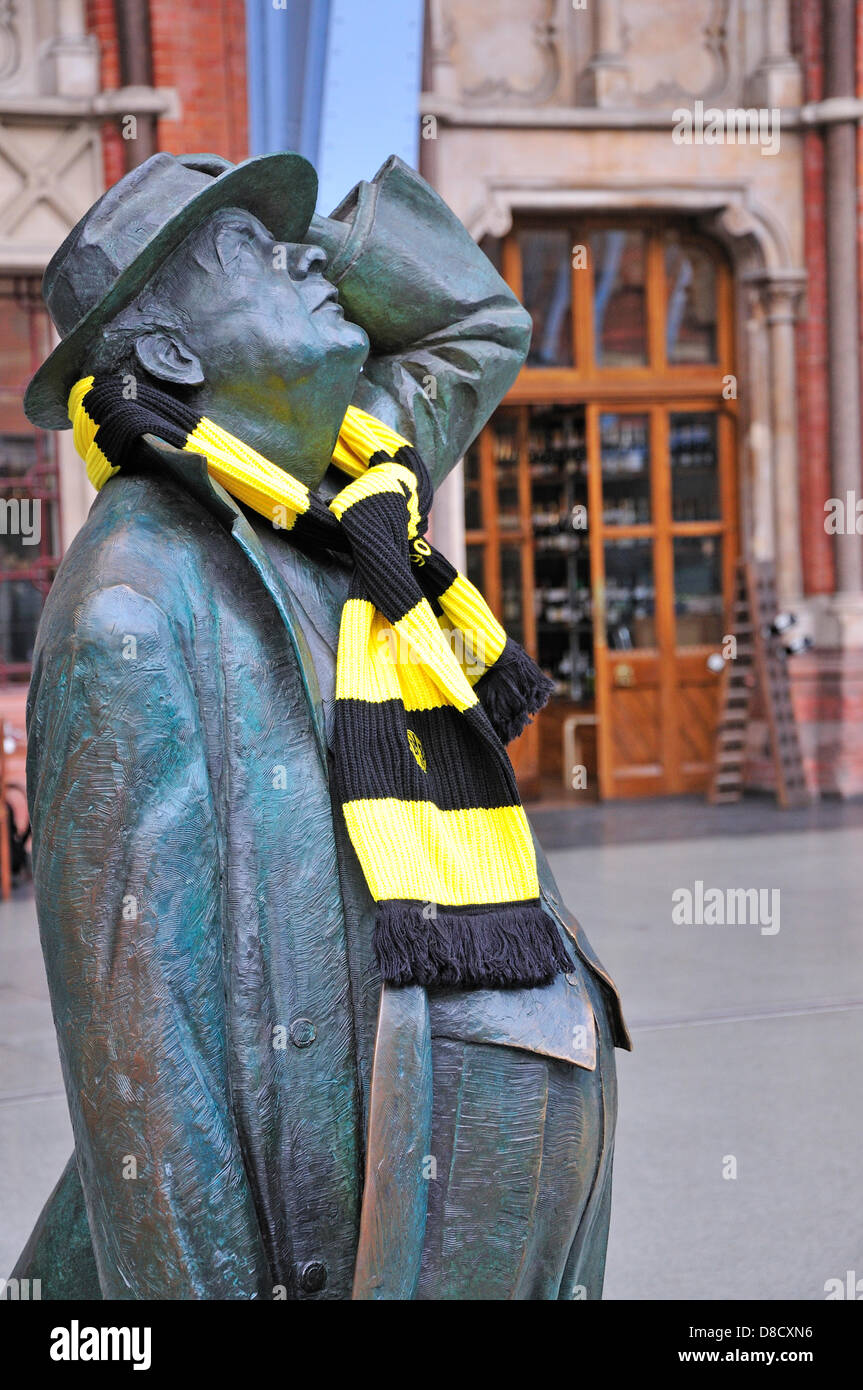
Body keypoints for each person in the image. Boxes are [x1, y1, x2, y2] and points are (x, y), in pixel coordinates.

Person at [13, 150, 630, 1300]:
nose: (303, 258)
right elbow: (145, 1081)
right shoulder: (134, 603)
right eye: (249, 247)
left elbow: (476, 323)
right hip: (353, 1232)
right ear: (171, 352)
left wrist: (325, 243)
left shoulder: (343, 489)